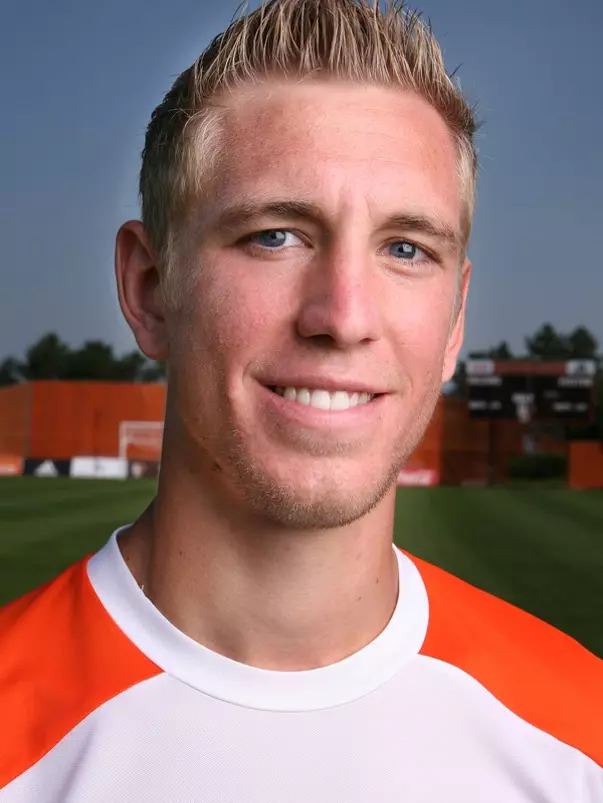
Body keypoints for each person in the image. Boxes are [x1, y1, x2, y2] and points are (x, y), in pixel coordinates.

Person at [1, 0, 601, 800]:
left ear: (455, 317)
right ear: (149, 289)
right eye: (274, 235)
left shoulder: (578, 738)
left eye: (404, 248)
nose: (343, 316)